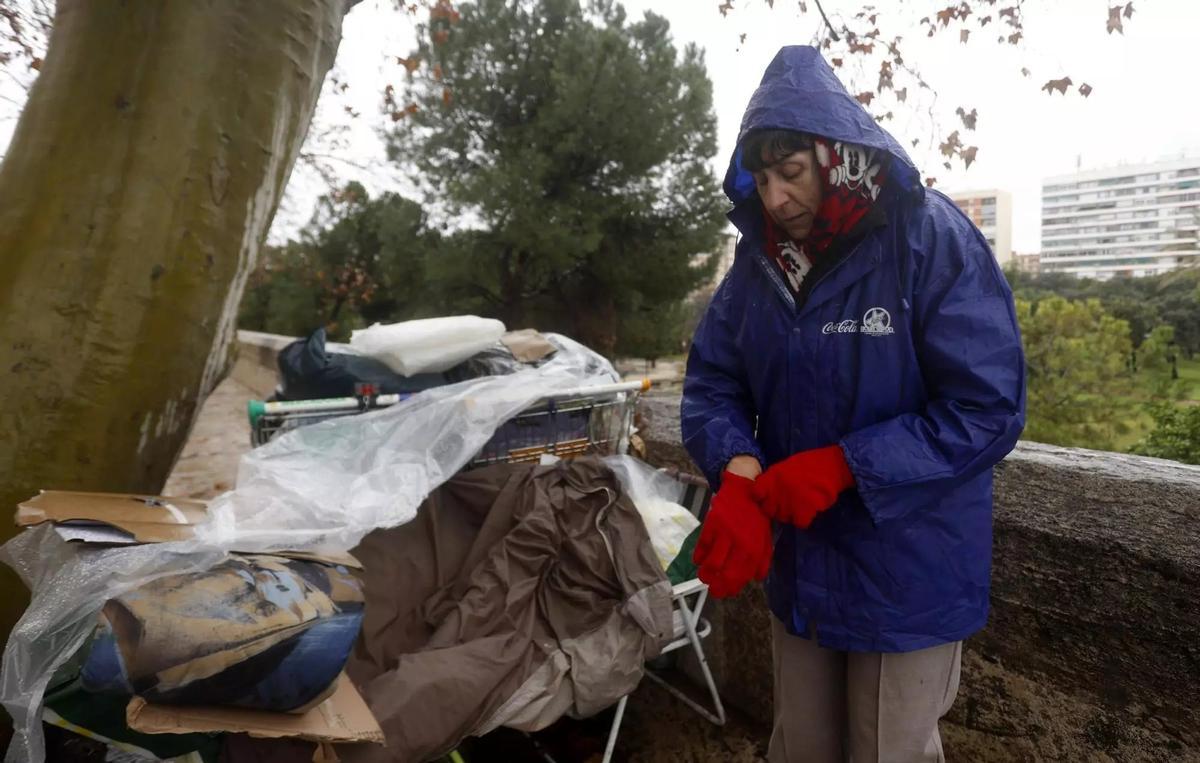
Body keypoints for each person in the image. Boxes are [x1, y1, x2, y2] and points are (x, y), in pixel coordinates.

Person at [681, 46, 1026, 763]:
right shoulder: (757, 267)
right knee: (801, 747)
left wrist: (846, 466)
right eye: (765, 177)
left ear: (835, 155)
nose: (776, 198)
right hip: (804, 570)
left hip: (907, 574)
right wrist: (738, 468)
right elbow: (713, 381)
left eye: (793, 172)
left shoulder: (928, 237)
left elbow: (988, 406)